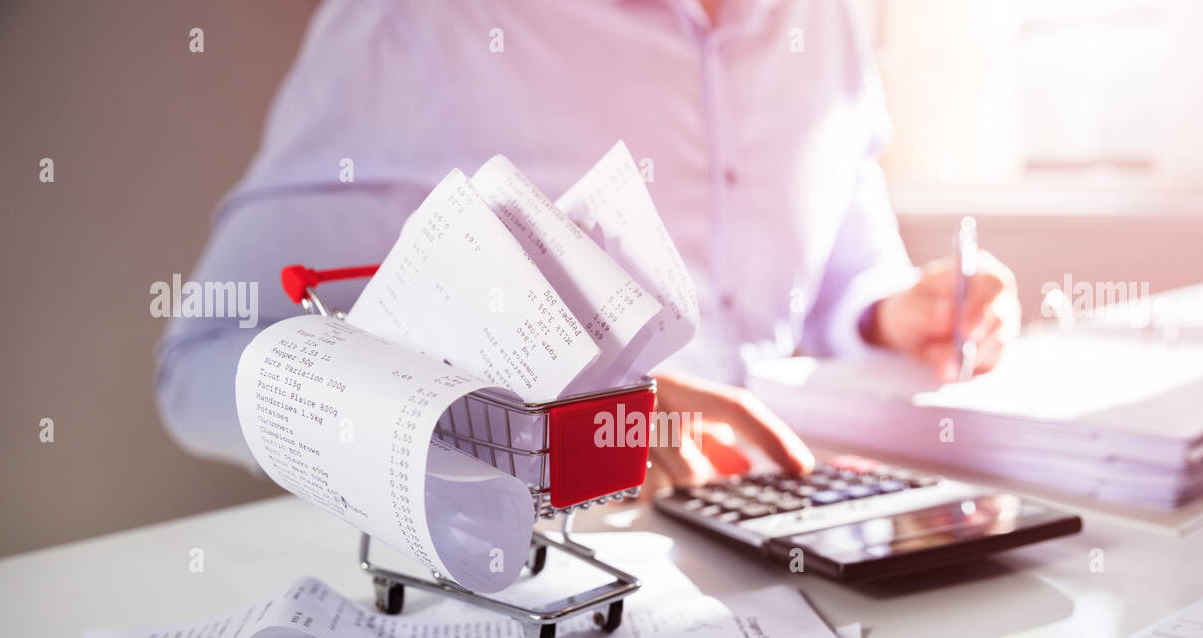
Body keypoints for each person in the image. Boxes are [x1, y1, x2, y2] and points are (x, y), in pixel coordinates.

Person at [156, 0, 1020, 486]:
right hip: (535, 584)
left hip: (785, 522)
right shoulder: (424, 21)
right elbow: (208, 363)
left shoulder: (823, 22)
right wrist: (540, 426)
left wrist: (888, 312)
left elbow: (836, 278)